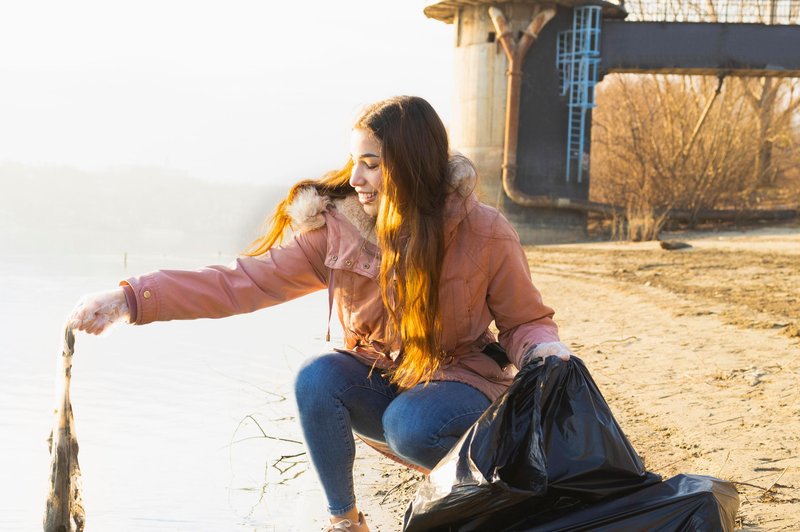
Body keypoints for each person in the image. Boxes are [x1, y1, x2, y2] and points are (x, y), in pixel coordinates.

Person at [69, 95, 573, 532]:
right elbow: (240, 283)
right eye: (354, 161)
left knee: (409, 424)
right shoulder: (340, 233)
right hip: (383, 377)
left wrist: (543, 350)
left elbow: (524, 321)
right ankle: (344, 520)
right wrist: (132, 299)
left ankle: (490, 490)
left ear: (411, 163)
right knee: (318, 377)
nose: (355, 178)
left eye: (372, 163)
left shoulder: (483, 233)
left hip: (459, 387)